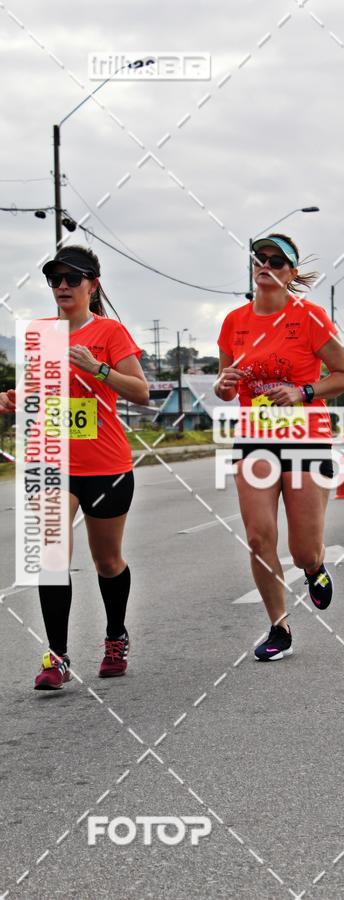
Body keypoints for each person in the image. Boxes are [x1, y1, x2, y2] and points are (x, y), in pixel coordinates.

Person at [0, 245, 149, 690]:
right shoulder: (40, 333)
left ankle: (115, 636)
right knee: (49, 557)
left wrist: (99, 369)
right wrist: (11, 400)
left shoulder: (110, 332)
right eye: (55, 279)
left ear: (92, 285)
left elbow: (140, 392)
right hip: (51, 461)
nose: (62, 286)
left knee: (107, 560)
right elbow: (37, 393)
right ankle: (57, 656)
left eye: (72, 278)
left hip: (105, 464)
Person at [215, 233, 344, 660]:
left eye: (277, 261)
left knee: (303, 549)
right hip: (255, 439)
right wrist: (223, 386)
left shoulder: (309, 317)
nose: (266, 265)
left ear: (291, 272)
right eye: (260, 258)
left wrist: (303, 392)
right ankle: (279, 627)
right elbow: (226, 387)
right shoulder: (234, 322)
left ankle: (314, 568)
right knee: (259, 538)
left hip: (304, 438)